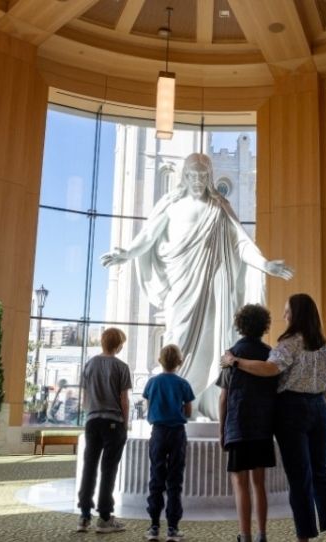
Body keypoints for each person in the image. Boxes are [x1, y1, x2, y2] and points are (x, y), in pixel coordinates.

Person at [101, 153, 293, 419]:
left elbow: (241, 242)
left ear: (209, 177)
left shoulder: (219, 207)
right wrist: (126, 254)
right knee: (177, 336)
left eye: (203, 175)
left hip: (214, 288)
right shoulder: (171, 205)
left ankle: (201, 403)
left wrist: (264, 264)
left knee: (211, 343)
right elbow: (147, 237)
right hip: (181, 285)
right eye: (193, 175)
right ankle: (177, 404)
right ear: (185, 176)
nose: (198, 180)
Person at [221, 293, 326, 542]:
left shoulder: (289, 343)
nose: (284, 315)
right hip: (320, 409)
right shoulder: (324, 345)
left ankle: (304, 537)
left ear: (296, 314)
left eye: (287, 310)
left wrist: (235, 361)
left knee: (299, 477)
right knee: (321, 472)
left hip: (293, 411)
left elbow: (269, 369)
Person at [217, 304, 276, 542]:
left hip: (238, 425)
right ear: (264, 326)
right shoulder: (270, 353)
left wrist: (222, 430)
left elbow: (223, 396)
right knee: (259, 483)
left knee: (240, 483)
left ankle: (245, 535)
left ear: (240, 325)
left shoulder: (230, 354)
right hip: (263, 426)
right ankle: (262, 534)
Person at [76, 328, 132, 534]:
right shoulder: (121, 367)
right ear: (118, 345)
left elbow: (84, 397)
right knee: (108, 469)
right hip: (113, 423)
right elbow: (123, 400)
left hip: (92, 421)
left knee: (89, 466)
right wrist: (125, 425)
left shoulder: (89, 364)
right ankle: (105, 517)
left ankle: (84, 517)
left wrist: (90, 413)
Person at [142, 345, 195, 542]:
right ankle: (172, 528)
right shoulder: (183, 384)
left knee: (156, 477)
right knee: (174, 479)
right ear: (179, 362)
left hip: (157, 432)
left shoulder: (152, 383)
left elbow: (149, 407)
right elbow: (189, 412)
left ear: (160, 360)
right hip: (177, 434)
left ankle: (154, 526)